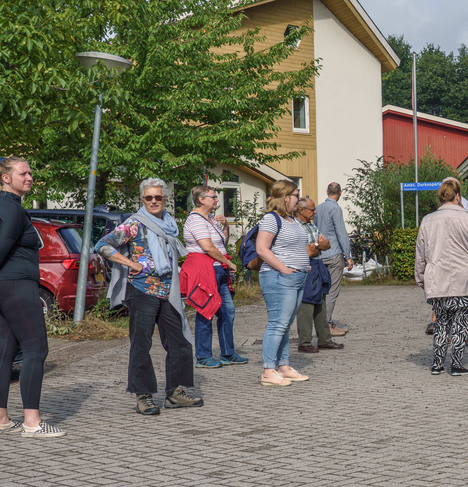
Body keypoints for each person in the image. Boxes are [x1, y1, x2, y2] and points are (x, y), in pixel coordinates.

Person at [0, 157, 64, 437]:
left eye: (31, 172)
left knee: (4, 351)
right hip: (16, 287)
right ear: (6, 178)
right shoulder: (11, 209)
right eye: (24, 173)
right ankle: (33, 423)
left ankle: (0, 419)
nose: (30, 177)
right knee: (36, 349)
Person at [95, 177, 204, 415]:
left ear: (165, 199)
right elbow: (103, 245)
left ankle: (175, 393)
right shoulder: (134, 224)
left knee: (180, 342)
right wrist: (131, 264)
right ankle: (143, 395)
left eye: (158, 197)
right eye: (149, 197)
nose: (153, 201)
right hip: (142, 290)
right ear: (142, 199)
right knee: (141, 344)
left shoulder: (169, 224)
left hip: (168, 291)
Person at [415, 179, 468, 376]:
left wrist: (420, 277)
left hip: (437, 279)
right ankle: (457, 364)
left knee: (441, 321)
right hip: (465, 280)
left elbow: (421, 253)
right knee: (461, 322)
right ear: (458, 196)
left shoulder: (428, 220)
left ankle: (437, 364)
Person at [182, 185, 247, 368]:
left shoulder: (210, 219)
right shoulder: (195, 220)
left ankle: (228, 352)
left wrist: (225, 227)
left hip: (218, 271)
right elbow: (208, 247)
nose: (217, 200)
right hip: (205, 271)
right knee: (205, 311)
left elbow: (221, 244)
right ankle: (203, 356)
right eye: (213, 197)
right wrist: (229, 263)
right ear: (201, 199)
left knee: (227, 311)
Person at [255, 180, 311, 387]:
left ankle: (283, 366)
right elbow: (262, 249)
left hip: (297, 278)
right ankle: (268, 370)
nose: (300, 199)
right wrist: (284, 268)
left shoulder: (292, 220)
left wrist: (303, 264)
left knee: (286, 324)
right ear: (285, 197)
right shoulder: (271, 219)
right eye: (297, 195)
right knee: (277, 324)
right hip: (279, 278)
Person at [295, 197, 343, 354]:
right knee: (306, 305)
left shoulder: (311, 225)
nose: (315, 212)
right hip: (306, 266)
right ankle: (305, 342)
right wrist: (317, 245)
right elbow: (307, 251)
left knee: (321, 303)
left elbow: (326, 244)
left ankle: (324, 339)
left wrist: (315, 245)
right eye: (311, 210)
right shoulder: (295, 226)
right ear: (301, 210)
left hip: (318, 265)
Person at [314, 182, 352, 336]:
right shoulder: (335, 208)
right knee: (332, 292)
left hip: (320, 254)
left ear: (326, 191)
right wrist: (348, 255)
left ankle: (323, 322)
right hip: (334, 253)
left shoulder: (318, 208)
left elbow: (315, 230)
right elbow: (341, 233)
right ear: (340, 193)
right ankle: (327, 325)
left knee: (322, 291)